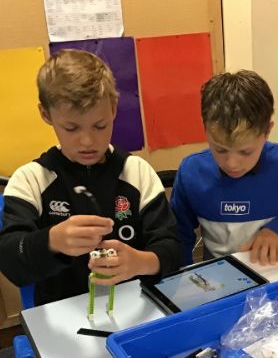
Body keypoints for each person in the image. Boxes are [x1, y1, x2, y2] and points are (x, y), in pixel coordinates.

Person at [0, 49, 181, 307]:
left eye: (99, 125)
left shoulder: (137, 172)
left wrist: (140, 262)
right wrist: (51, 241)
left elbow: (172, 248)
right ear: (46, 115)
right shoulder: (31, 180)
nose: (87, 141)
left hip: (135, 307)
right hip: (61, 315)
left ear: (114, 109)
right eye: (71, 128)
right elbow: (10, 261)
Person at [171, 70, 278, 267]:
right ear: (204, 127)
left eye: (246, 152)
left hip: (277, 272)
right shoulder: (190, 172)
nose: (232, 163)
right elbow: (178, 237)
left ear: (267, 131)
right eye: (220, 149)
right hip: (219, 276)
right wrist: (183, 275)